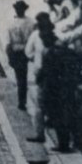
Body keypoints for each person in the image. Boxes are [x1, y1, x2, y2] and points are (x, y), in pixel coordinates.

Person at [25, 13, 54, 143]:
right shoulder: (54, 36)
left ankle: (40, 134)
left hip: (42, 74)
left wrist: (36, 61)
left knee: (40, 106)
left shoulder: (36, 35)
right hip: (52, 75)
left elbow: (28, 52)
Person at [6, 0, 36, 111]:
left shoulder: (11, 23)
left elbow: (8, 42)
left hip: (16, 51)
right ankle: (22, 100)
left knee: (20, 77)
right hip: (25, 51)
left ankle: (21, 101)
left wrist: (9, 55)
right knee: (23, 76)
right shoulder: (31, 23)